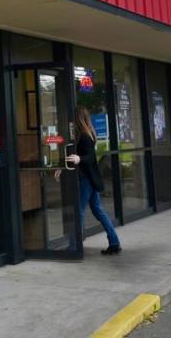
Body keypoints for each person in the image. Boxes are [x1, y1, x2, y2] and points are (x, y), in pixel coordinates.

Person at [65, 105, 121, 255]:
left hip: (86, 179)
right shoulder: (84, 134)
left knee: (79, 211)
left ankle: (74, 247)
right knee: (98, 210)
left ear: (77, 118)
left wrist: (79, 158)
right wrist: (61, 167)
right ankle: (114, 242)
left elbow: (90, 157)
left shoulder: (84, 135)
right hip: (90, 178)